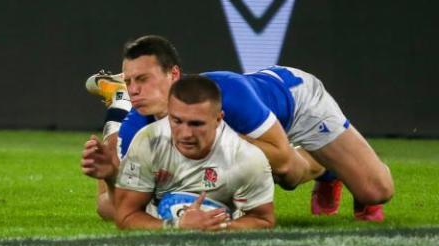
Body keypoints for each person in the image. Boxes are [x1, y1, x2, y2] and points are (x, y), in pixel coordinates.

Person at [81, 35, 393, 222]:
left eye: (143, 80)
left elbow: (282, 158)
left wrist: (216, 144)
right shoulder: (139, 124)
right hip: (228, 136)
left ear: (174, 74)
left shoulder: (228, 92)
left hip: (295, 103)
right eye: (130, 82)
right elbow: (111, 208)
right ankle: (116, 103)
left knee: (370, 190)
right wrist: (109, 175)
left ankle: (328, 172)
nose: (137, 90)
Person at [112, 74, 275, 230]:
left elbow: (263, 219)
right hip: (156, 210)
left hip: (225, 222)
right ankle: (115, 106)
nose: (186, 134)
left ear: (218, 119)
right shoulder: (148, 141)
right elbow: (126, 216)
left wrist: (219, 226)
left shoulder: (246, 158)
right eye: (176, 121)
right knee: (106, 206)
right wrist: (176, 226)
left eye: (196, 124)